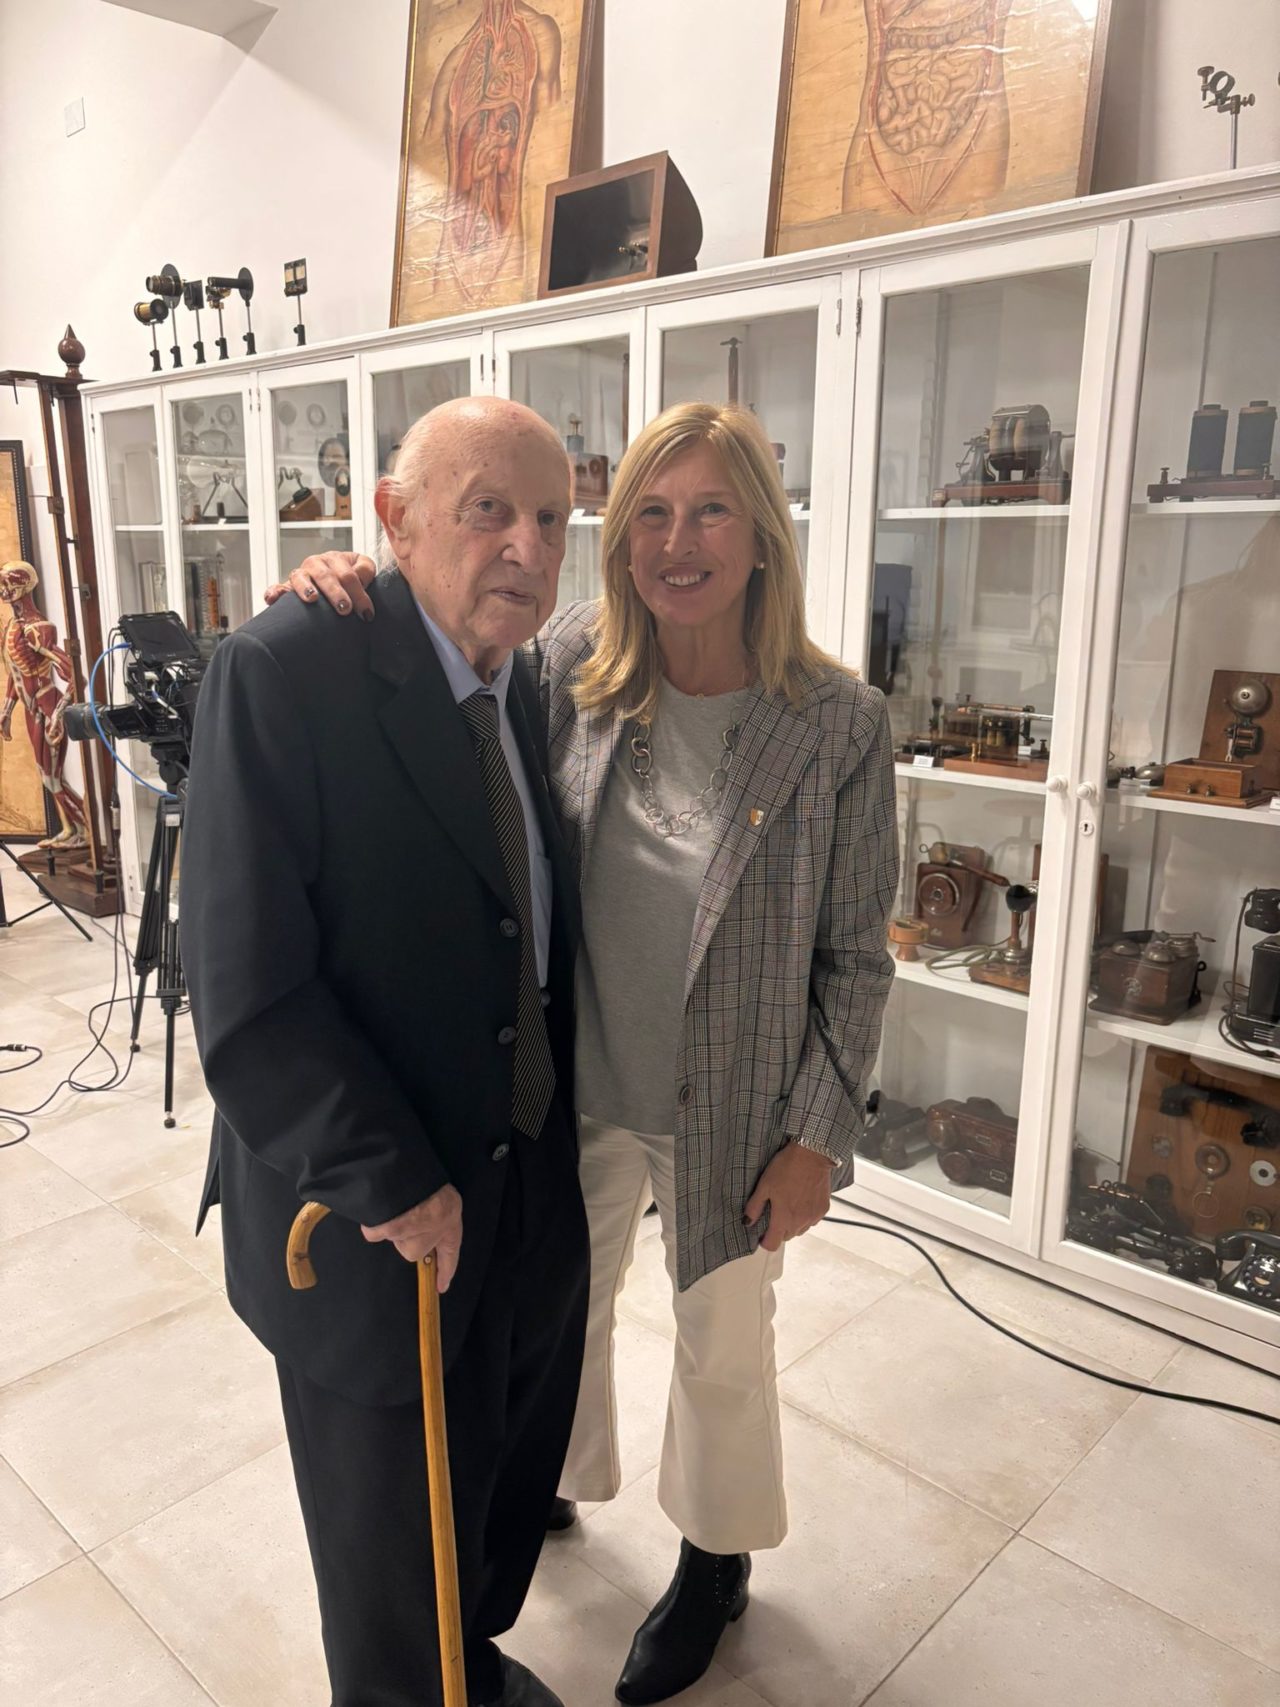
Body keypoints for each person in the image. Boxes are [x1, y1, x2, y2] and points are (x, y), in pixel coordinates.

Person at [279, 399, 899, 1704]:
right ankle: (548, 1487)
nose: (679, 543)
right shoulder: (573, 668)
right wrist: (350, 582)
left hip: (740, 1110)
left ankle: (716, 1561)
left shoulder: (838, 723)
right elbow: (444, 626)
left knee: (722, 1345)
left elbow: (857, 958)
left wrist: (819, 1139)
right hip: (570, 1094)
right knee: (555, 1322)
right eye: (650, 515)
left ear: (762, 535)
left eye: (711, 511)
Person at [180, 396, 589, 1707]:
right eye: (489, 511)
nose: (527, 546)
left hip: (520, 1168)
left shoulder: (528, 678)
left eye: (552, 519)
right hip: (376, 1206)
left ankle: (471, 1666)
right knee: (386, 1541)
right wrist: (390, 1176)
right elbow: (244, 989)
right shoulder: (285, 669)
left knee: (491, 1475)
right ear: (395, 520)